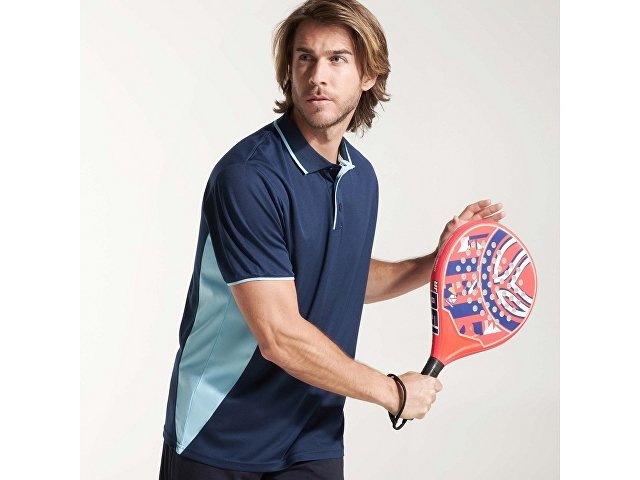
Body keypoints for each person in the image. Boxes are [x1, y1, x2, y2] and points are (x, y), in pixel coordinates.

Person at [159, 0, 505, 478]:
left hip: (312, 433)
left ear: (369, 74)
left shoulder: (360, 177)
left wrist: (435, 260)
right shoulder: (249, 178)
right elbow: (279, 336)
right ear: (289, 70)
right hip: (220, 432)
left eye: (337, 59)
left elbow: (340, 278)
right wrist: (393, 392)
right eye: (305, 57)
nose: (317, 75)